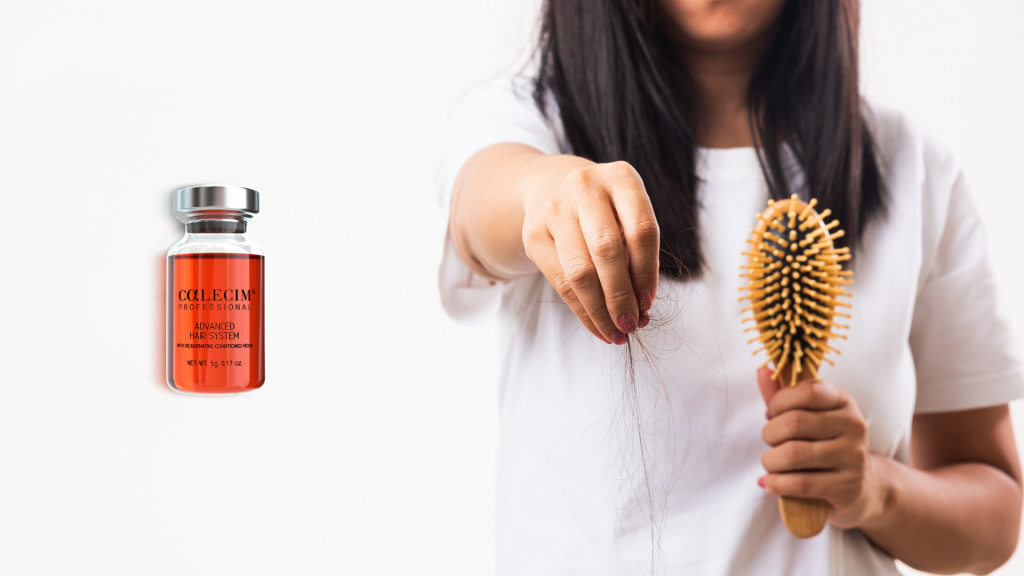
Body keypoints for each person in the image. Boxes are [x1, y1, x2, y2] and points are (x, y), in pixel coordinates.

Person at [435, 0, 1024, 574]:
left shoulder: (911, 166)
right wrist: (547, 188)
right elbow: (478, 211)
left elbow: (994, 518)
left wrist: (875, 489)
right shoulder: (530, 124)